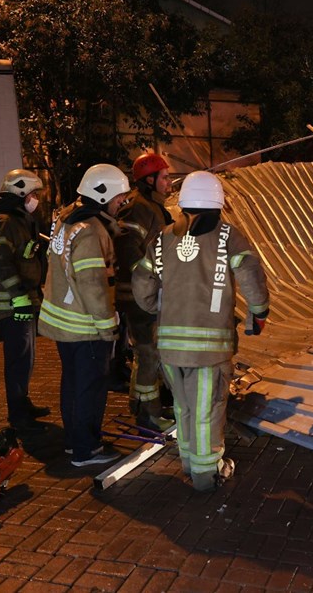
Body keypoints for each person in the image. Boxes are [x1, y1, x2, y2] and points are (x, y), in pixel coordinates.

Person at [132, 171, 269, 491]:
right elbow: (250, 272)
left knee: (184, 407)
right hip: (209, 349)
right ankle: (207, 476)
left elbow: (142, 280)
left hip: (169, 347)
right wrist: (259, 312)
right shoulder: (227, 235)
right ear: (217, 203)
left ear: (184, 204)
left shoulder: (164, 237)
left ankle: (190, 462)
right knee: (208, 409)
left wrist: (155, 308)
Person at [38, 164, 130, 467]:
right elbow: (93, 285)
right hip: (86, 325)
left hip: (65, 322)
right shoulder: (91, 232)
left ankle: (74, 441)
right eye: (120, 197)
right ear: (102, 196)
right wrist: (108, 327)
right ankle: (87, 449)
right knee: (89, 388)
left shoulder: (69, 220)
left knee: (74, 384)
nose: (123, 202)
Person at [0, 169, 50, 435]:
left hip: (23, 301)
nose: (36, 199)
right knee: (17, 361)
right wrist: (20, 298)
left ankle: (23, 404)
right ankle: (18, 416)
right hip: (12, 306)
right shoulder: (5, 221)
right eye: (33, 194)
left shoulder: (20, 220)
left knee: (26, 360)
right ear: (20, 194)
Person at [115, 153, 175, 432]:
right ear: (149, 180)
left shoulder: (154, 207)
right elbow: (128, 248)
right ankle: (147, 415)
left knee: (149, 354)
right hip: (138, 297)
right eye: (164, 176)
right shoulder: (139, 208)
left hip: (149, 295)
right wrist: (150, 278)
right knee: (148, 354)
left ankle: (145, 405)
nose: (169, 181)